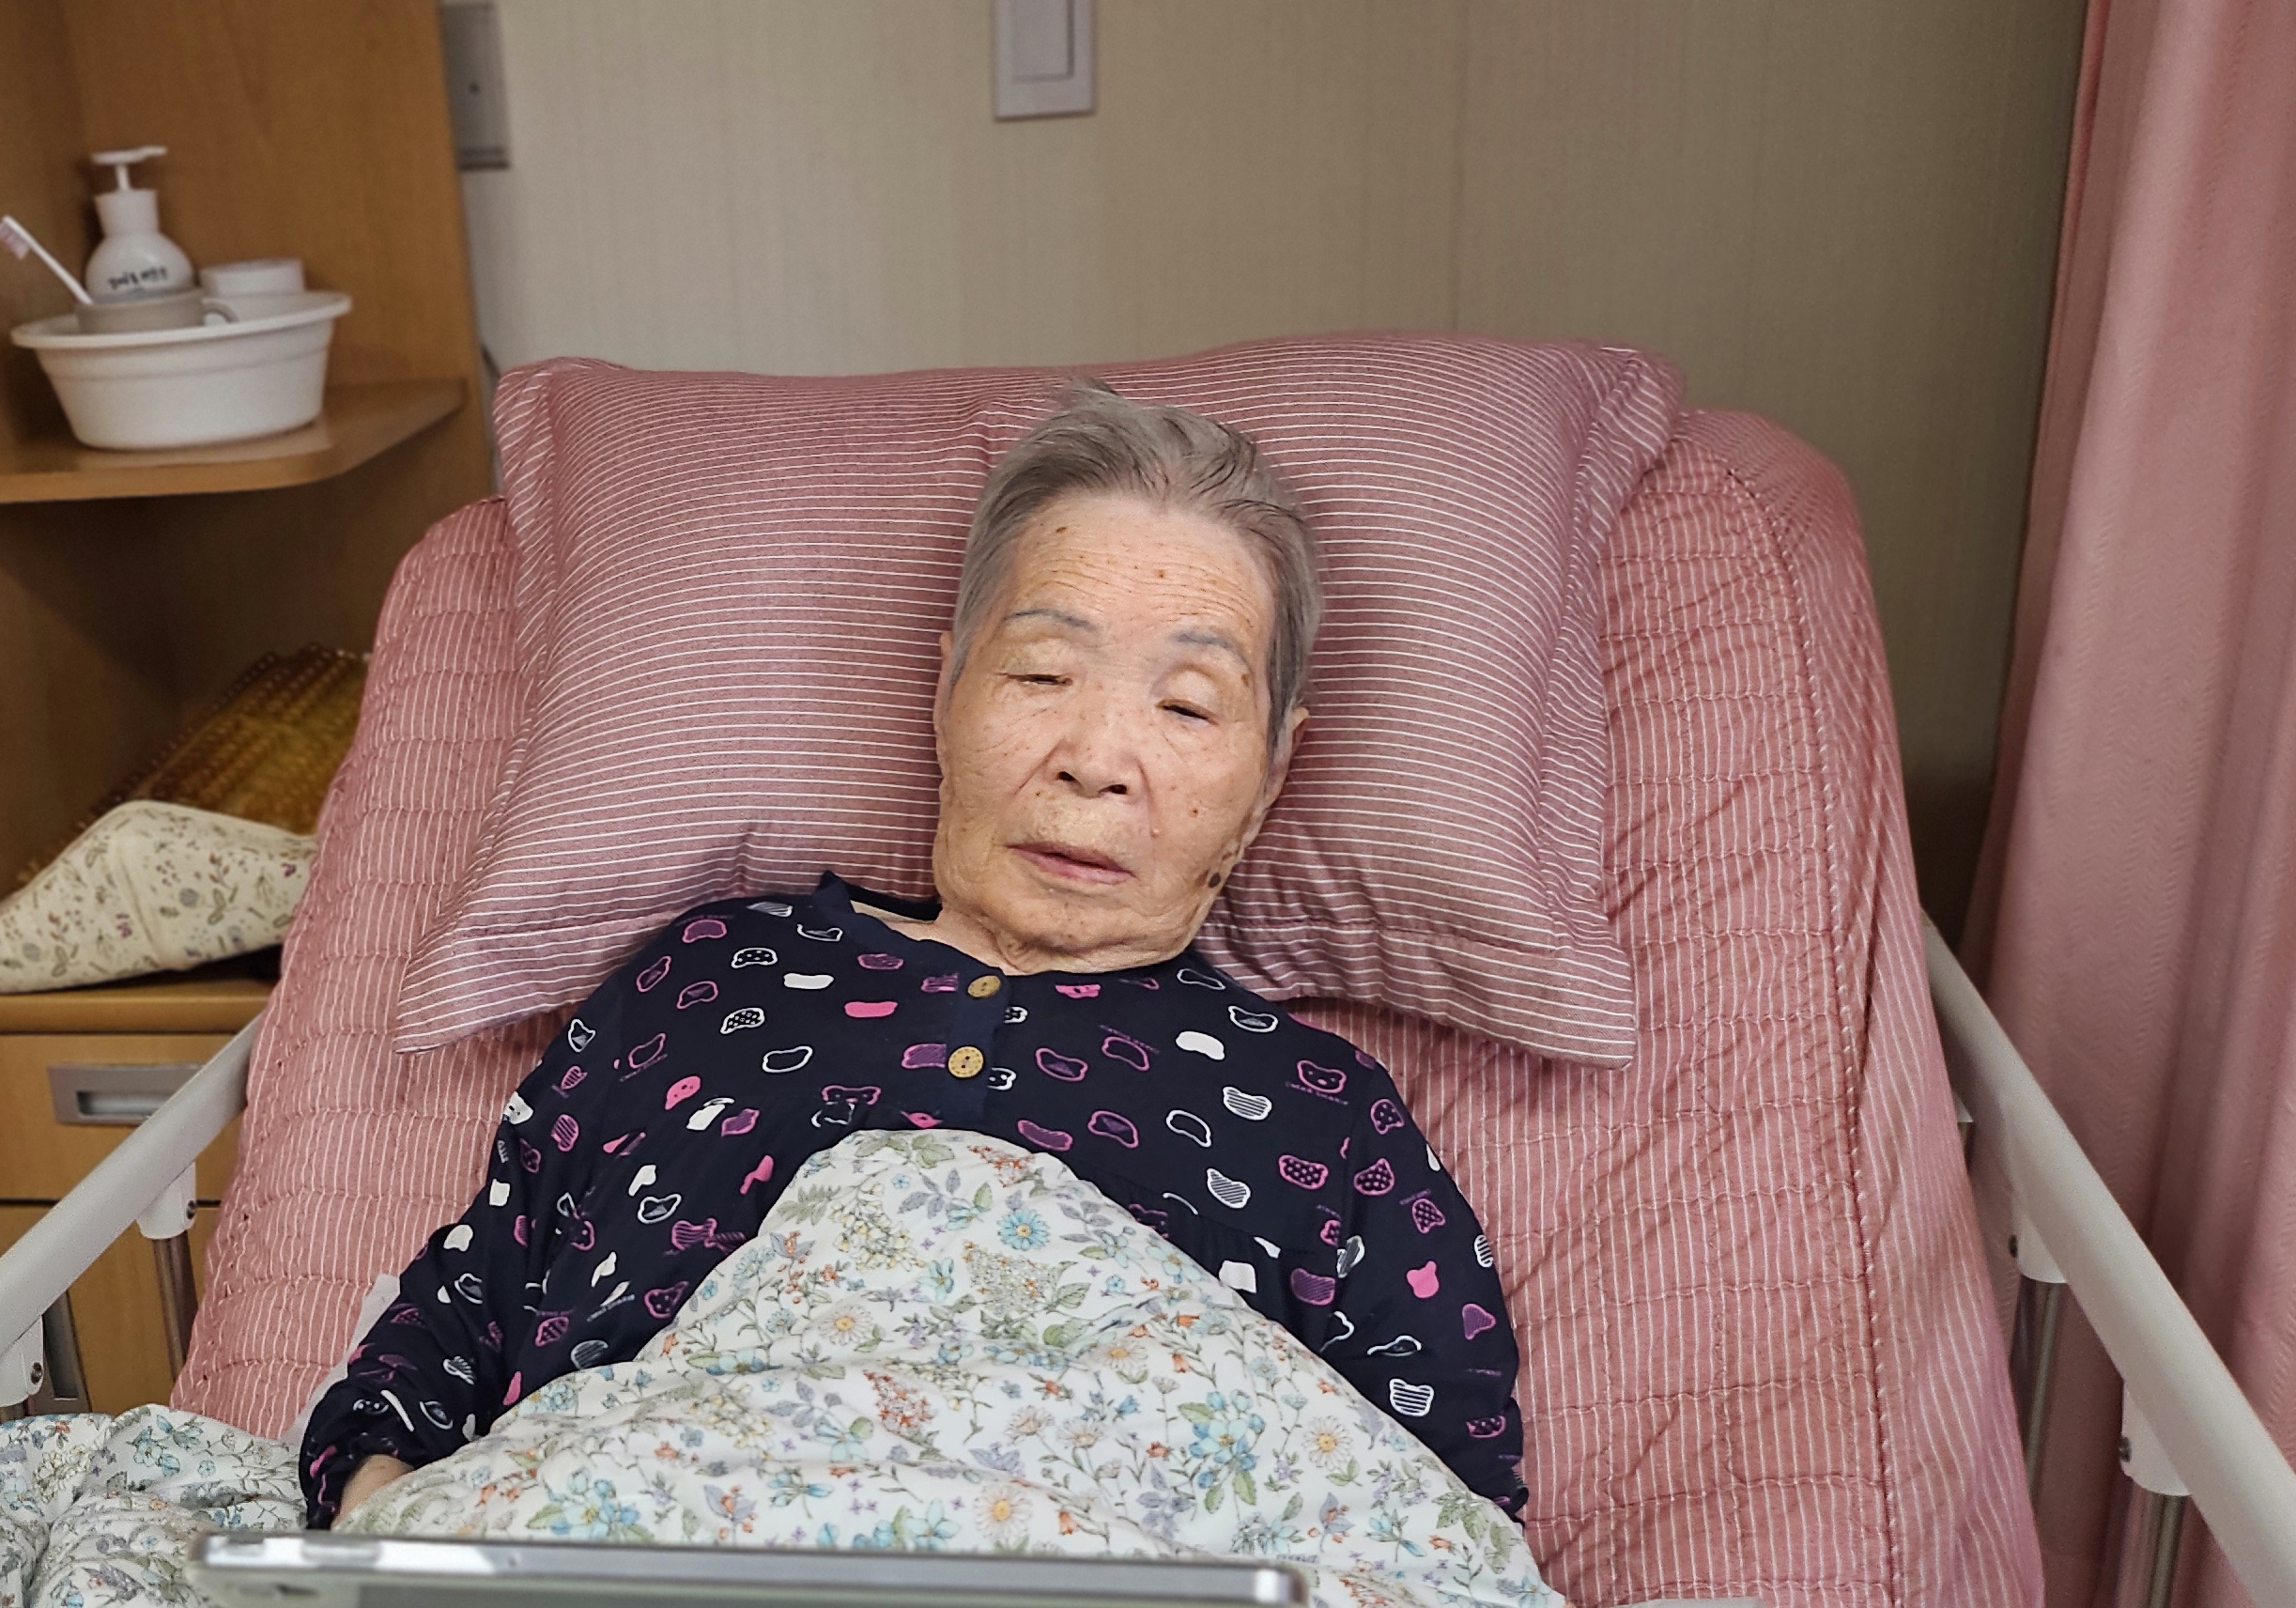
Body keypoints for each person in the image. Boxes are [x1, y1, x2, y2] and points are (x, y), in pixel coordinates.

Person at [298, 383, 1525, 1527]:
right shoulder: (708, 975)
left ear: (1270, 774)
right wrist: (381, 1506)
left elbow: (1446, 1524)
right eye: (1042, 671)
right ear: (947, 689)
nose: (1098, 760)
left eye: (1188, 705)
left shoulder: (1323, 1114)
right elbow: (468, 1304)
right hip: (631, 1590)